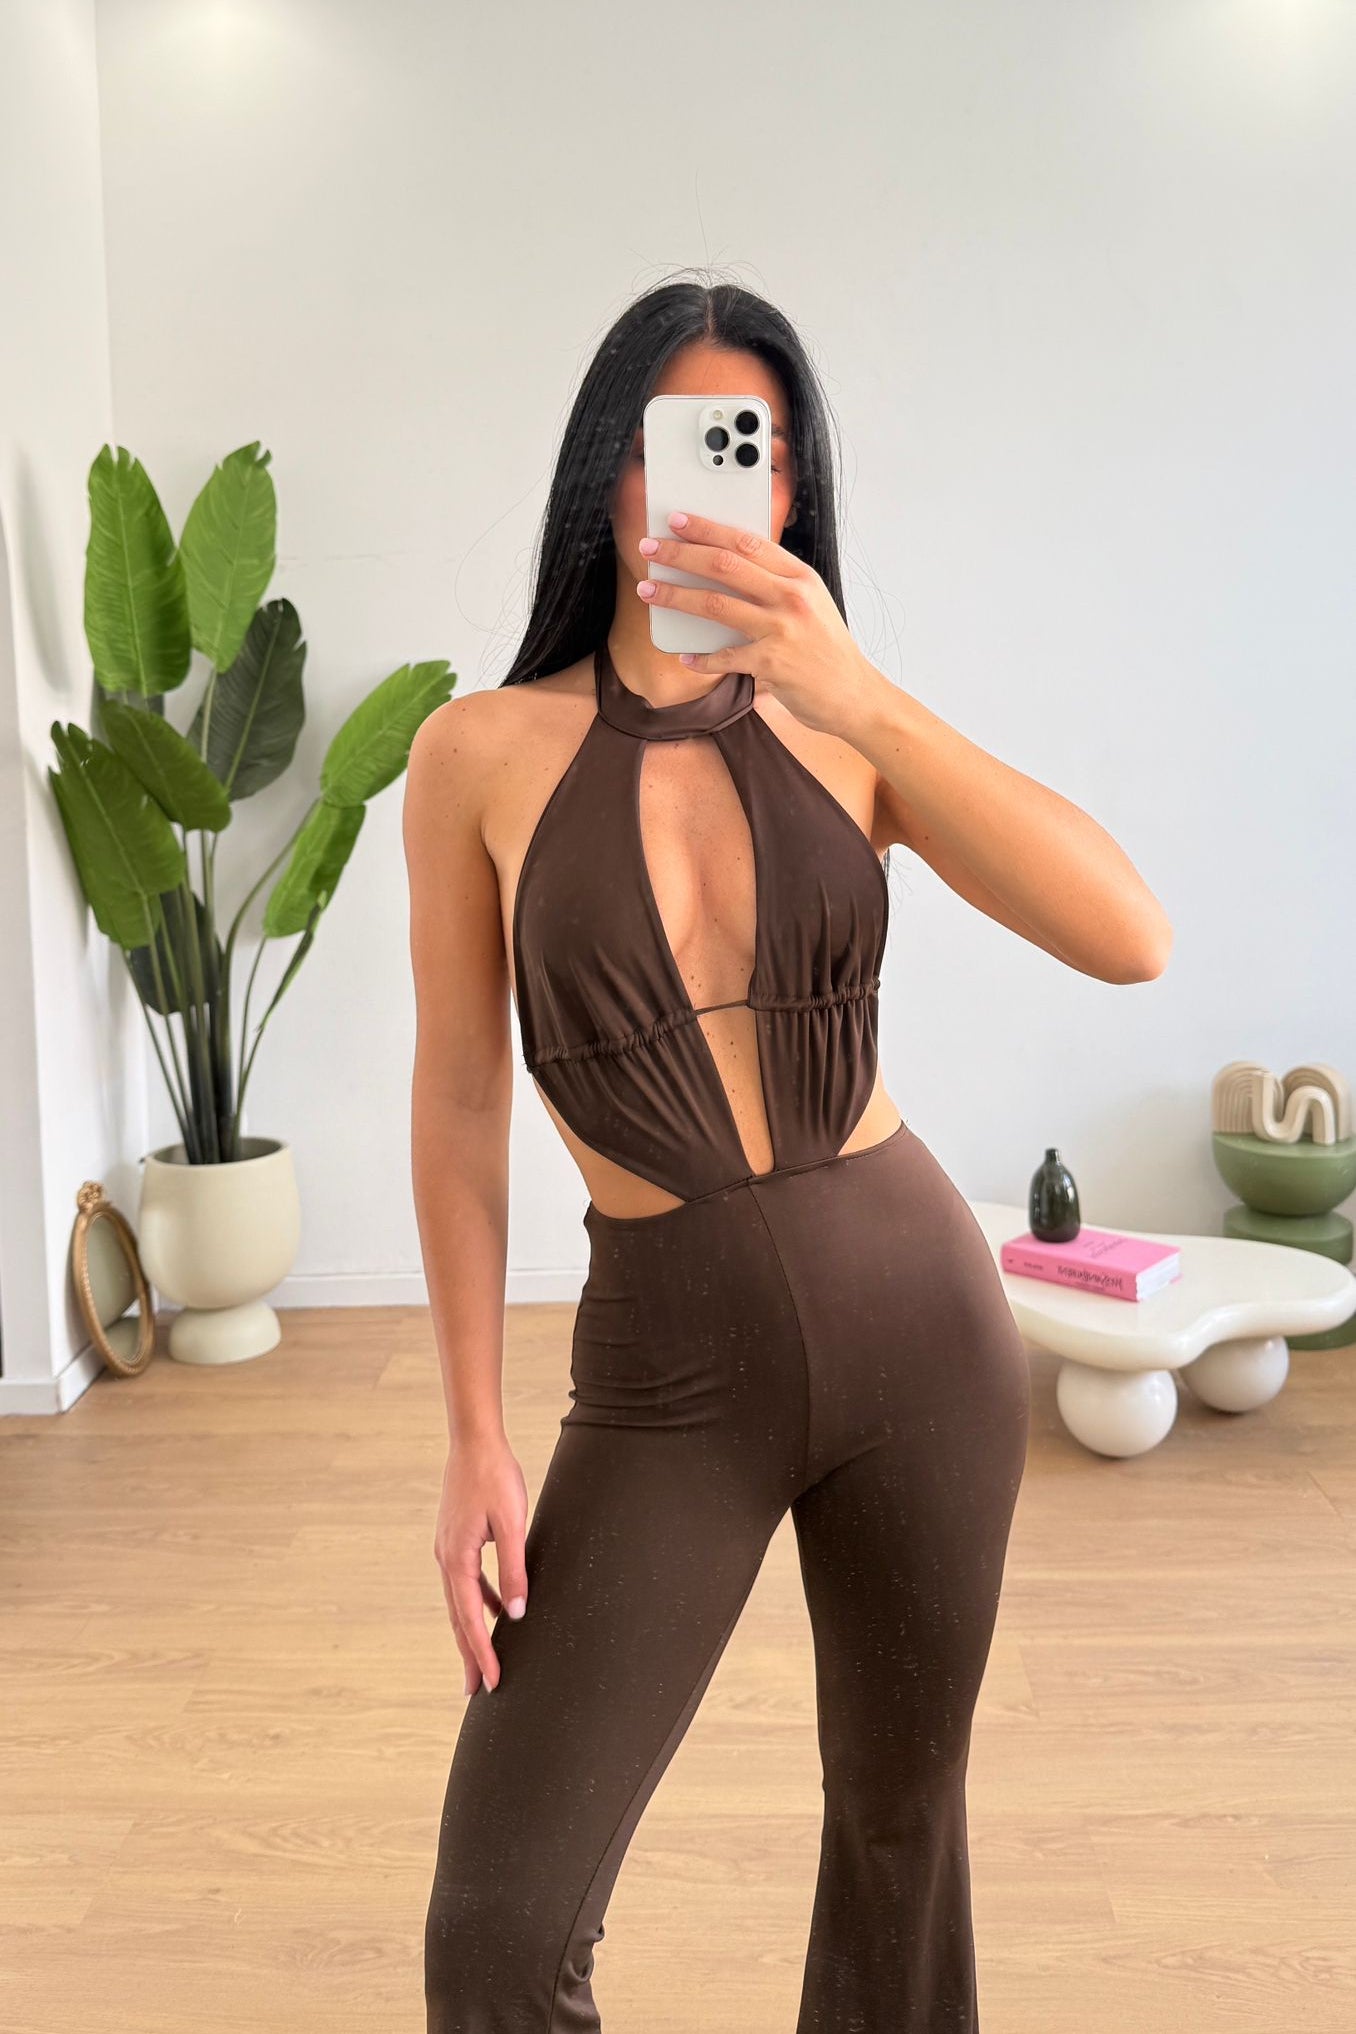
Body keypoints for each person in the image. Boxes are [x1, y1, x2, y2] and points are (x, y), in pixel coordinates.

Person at [405, 275, 1171, 2033]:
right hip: (668, 1372)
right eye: (668, 442)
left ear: (792, 489)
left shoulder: (845, 731)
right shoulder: (476, 756)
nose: (701, 487)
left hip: (925, 1340)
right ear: (604, 473)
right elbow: (456, 1098)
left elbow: (1131, 933)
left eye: (745, 450)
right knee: (498, 1931)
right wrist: (469, 1432)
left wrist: (866, 695)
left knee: (900, 1847)